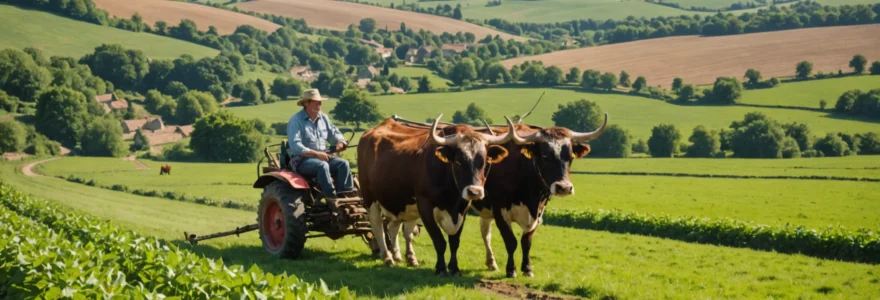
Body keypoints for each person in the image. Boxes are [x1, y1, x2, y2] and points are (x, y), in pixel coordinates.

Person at [286, 89, 356, 200]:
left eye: (320, 102)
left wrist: (340, 142)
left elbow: (333, 132)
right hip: (302, 160)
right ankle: (331, 198)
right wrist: (316, 154)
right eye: (315, 101)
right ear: (306, 103)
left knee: (343, 164)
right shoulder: (296, 121)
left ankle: (345, 195)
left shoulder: (323, 118)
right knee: (322, 166)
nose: (319, 104)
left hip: (323, 156)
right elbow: (296, 146)